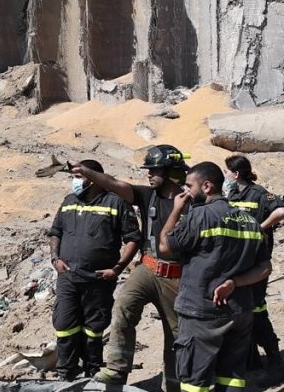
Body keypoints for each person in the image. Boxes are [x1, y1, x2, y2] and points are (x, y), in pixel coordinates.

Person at [77, 144, 190, 392]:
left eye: (154, 170)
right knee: (123, 308)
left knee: (177, 335)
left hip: (178, 277)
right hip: (147, 268)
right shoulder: (147, 195)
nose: (148, 175)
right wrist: (87, 171)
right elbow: (115, 183)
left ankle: (173, 384)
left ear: (170, 171)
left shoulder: (192, 203)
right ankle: (117, 369)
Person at [159, 162, 272, 392]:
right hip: (239, 312)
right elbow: (265, 268)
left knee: (194, 382)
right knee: (231, 378)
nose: (186, 191)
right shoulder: (249, 222)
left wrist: (176, 209)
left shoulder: (199, 217)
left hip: (202, 312)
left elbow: (164, 246)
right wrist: (235, 283)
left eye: (190, 186)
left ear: (207, 186)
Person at [48, 160, 140, 380]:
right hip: (68, 277)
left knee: (93, 328)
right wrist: (55, 259)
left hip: (98, 279)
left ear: (94, 178)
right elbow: (56, 232)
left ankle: (92, 373)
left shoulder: (115, 203)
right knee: (64, 326)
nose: (75, 182)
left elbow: (133, 239)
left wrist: (117, 268)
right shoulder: (69, 201)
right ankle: (67, 373)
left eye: (80, 177)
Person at [224, 154, 284, 386]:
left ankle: (276, 362)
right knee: (239, 312)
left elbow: (282, 211)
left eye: (227, 172)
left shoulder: (259, 194)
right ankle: (250, 360)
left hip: (255, 264)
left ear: (237, 174)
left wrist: (260, 228)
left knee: (257, 311)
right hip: (235, 262)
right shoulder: (231, 194)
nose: (226, 176)